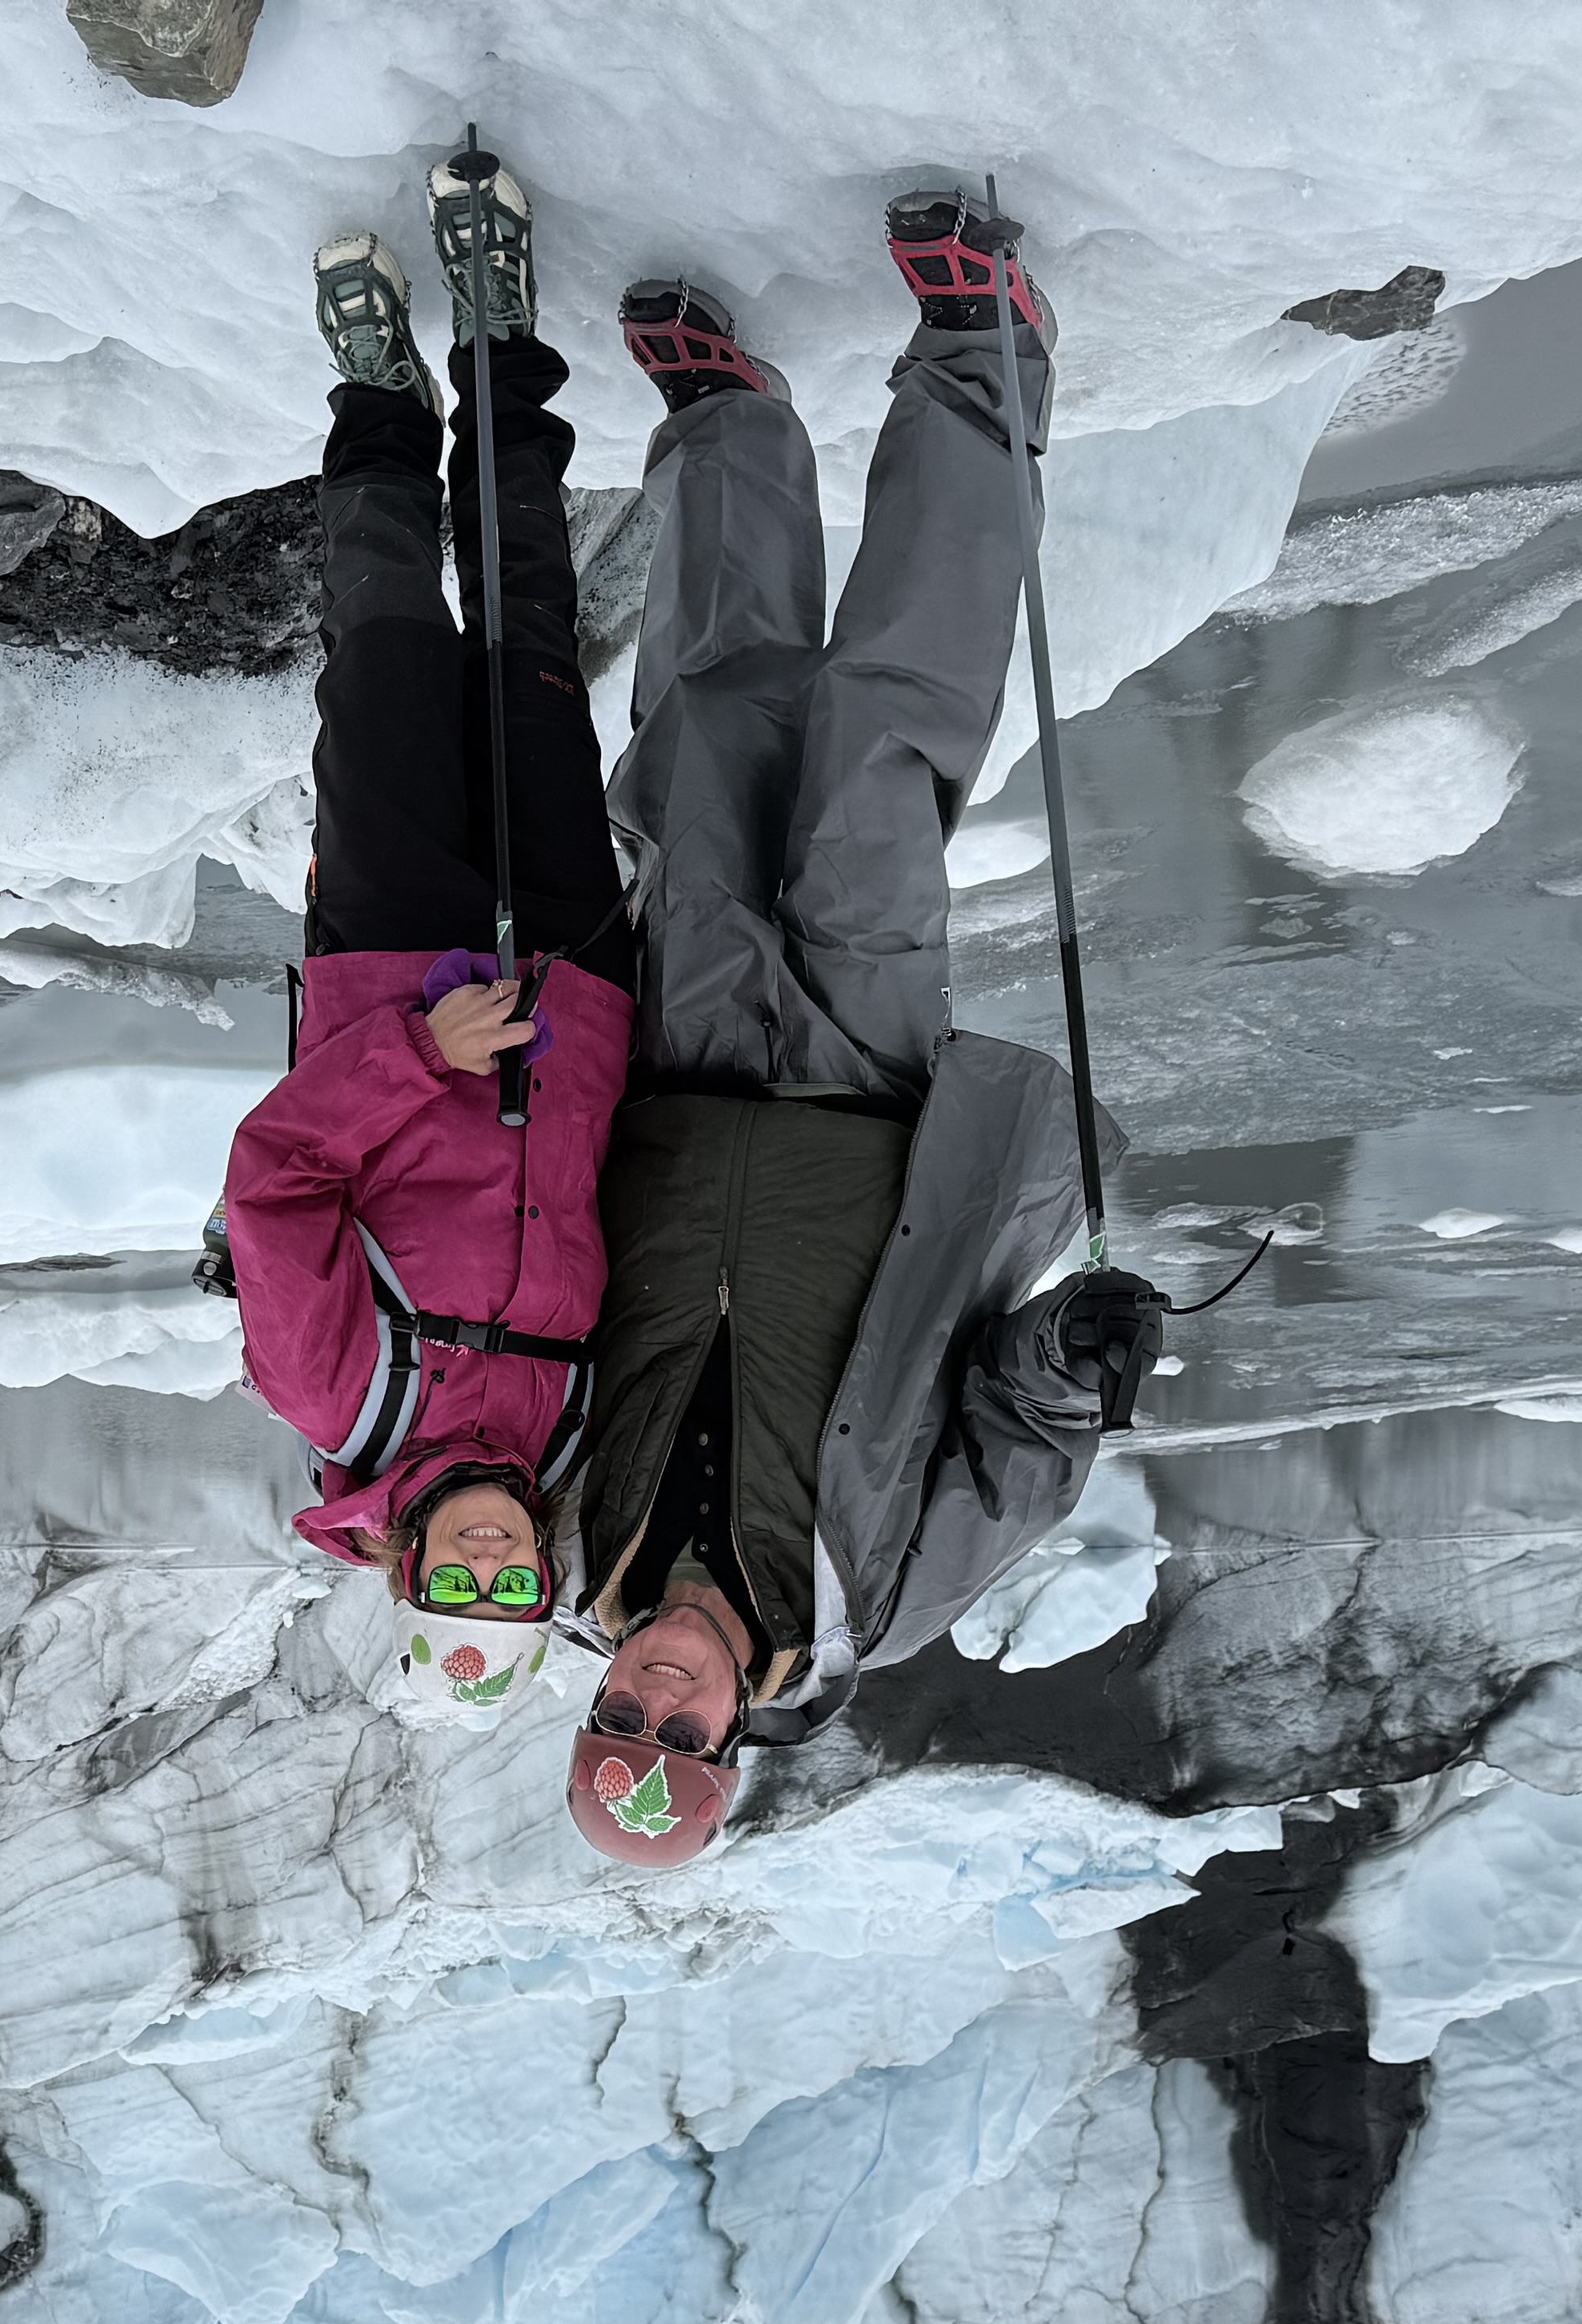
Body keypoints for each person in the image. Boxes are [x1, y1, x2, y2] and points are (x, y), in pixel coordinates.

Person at [557, 196, 1167, 1867]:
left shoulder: (549, 1548)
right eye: (680, 1735)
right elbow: (1017, 1440)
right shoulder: (878, 1603)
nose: (656, 1695)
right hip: (868, 1112)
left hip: (676, 1102)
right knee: (872, 773)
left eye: (618, 1717)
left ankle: (728, 434)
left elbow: (480, 1362)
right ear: (727, 1741)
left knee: (698, 752)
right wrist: (1076, 1356)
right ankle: (981, 362)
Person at [216, 145, 635, 1718]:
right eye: (510, 1590)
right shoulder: (577, 1433)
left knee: (390, 651)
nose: (483, 1565)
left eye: (454, 1590)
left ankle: (381, 393)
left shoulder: (337, 1397)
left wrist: (414, 1048)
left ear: (408, 1579)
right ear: (539, 1579)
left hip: (397, 965)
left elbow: (278, 1179)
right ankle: (498, 351)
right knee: (534, 645)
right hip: (578, 986)